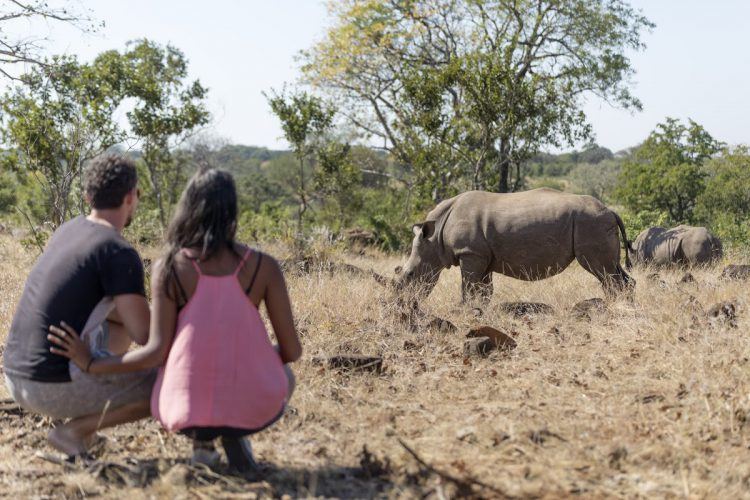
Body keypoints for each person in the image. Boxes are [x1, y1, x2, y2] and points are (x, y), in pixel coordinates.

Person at [48, 168, 302, 472]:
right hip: (254, 403)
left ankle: (204, 444)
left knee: (184, 375)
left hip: (183, 412)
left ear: (188, 208)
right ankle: (237, 429)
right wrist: (255, 360)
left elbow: (155, 350)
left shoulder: (169, 266)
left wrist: (91, 363)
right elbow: (292, 351)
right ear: (232, 209)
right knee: (285, 375)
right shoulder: (265, 266)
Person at [3, 154, 153, 458]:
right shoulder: (118, 251)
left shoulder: (68, 230)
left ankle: (85, 426)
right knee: (163, 386)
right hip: (48, 386)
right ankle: (74, 432)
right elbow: (147, 337)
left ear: (88, 196)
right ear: (130, 197)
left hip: (14, 374)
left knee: (118, 323)